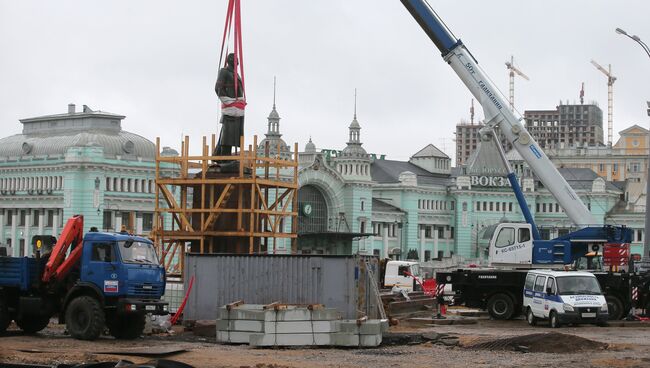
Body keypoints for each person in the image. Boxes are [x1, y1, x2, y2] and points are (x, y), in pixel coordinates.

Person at [214, 53, 246, 161]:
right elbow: (218, 87)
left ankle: (220, 156)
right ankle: (224, 157)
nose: (237, 61)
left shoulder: (236, 74)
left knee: (232, 134)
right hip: (230, 107)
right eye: (235, 59)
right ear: (230, 60)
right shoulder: (224, 72)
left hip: (237, 108)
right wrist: (228, 101)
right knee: (227, 133)